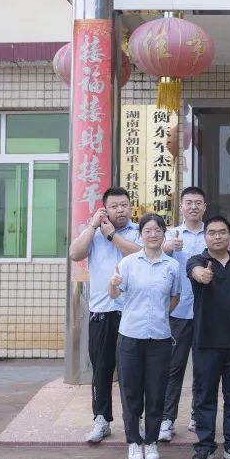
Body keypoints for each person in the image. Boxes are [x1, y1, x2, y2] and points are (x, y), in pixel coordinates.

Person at [67, 186, 141, 444]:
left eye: (124, 205)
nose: (120, 210)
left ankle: (135, 420)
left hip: (131, 312)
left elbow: (140, 254)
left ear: (130, 206)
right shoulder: (94, 233)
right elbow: (75, 254)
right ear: (105, 210)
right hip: (101, 312)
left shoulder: (138, 231)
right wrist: (92, 227)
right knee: (101, 370)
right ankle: (101, 420)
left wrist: (112, 236)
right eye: (114, 206)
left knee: (133, 371)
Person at [108, 213, 181, 459]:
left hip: (160, 337)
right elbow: (114, 294)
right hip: (130, 335)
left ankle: (150, 441)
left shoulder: (172, 266)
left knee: (156, 391)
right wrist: (112, 284)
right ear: (140, 235)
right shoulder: (128, 263)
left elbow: (175, 296)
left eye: (158, 230)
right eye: (147, 230)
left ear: (164, 234)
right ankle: (133, 441)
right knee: (131, 391)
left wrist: (160, 315)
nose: (153, 234)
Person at [187, 215, 230, 459]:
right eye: (212, 232)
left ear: (229, 235)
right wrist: (201, 275)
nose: (217, 236)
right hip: (206, 341)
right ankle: (205, 446)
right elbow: (195, 273)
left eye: (222, 232)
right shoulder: (197, 261)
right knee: (205, 396)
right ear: (205, 237)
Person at [159, 186, 208, 442]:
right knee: (173, 368)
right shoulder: (170, 234)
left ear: (205, 207)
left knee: (203, 368)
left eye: (198, 202)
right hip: (177, 312)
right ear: (181, 207)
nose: (193, 207)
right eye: (189, 202)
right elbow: (153, 258)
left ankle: (198, 415)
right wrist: (167, 247)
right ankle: (167, 419)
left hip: (205, 312)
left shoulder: (213, 233)